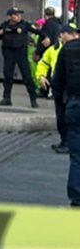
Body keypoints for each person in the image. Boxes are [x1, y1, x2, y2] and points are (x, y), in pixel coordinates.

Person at [49, 28, 80, 207]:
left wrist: (61, 106)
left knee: (77, 156)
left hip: (74, 105)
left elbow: (57, 81)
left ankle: (76, 198)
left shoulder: (67, 50)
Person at [37, 24, 78, 155]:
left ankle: (68, 144)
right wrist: (41, 76)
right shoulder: (54, 49)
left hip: (70, 89)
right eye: (68, 34)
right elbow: (43, 63)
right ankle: (63, 141)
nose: (72, 36)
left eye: (73, 34)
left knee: (68, 119)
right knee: (60, 118)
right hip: (59, 88)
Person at [0, 7, 39, 108]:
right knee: (8, 76)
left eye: (19, 14)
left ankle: (33, 99)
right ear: (10, 16)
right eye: (16, 14)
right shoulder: (4, 25)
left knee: (27, 76)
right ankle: (6, 98)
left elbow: (37, 32)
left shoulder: (25, 24)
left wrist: (46, 37)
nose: (19, 16)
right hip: (8, 53)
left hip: (21, 53)